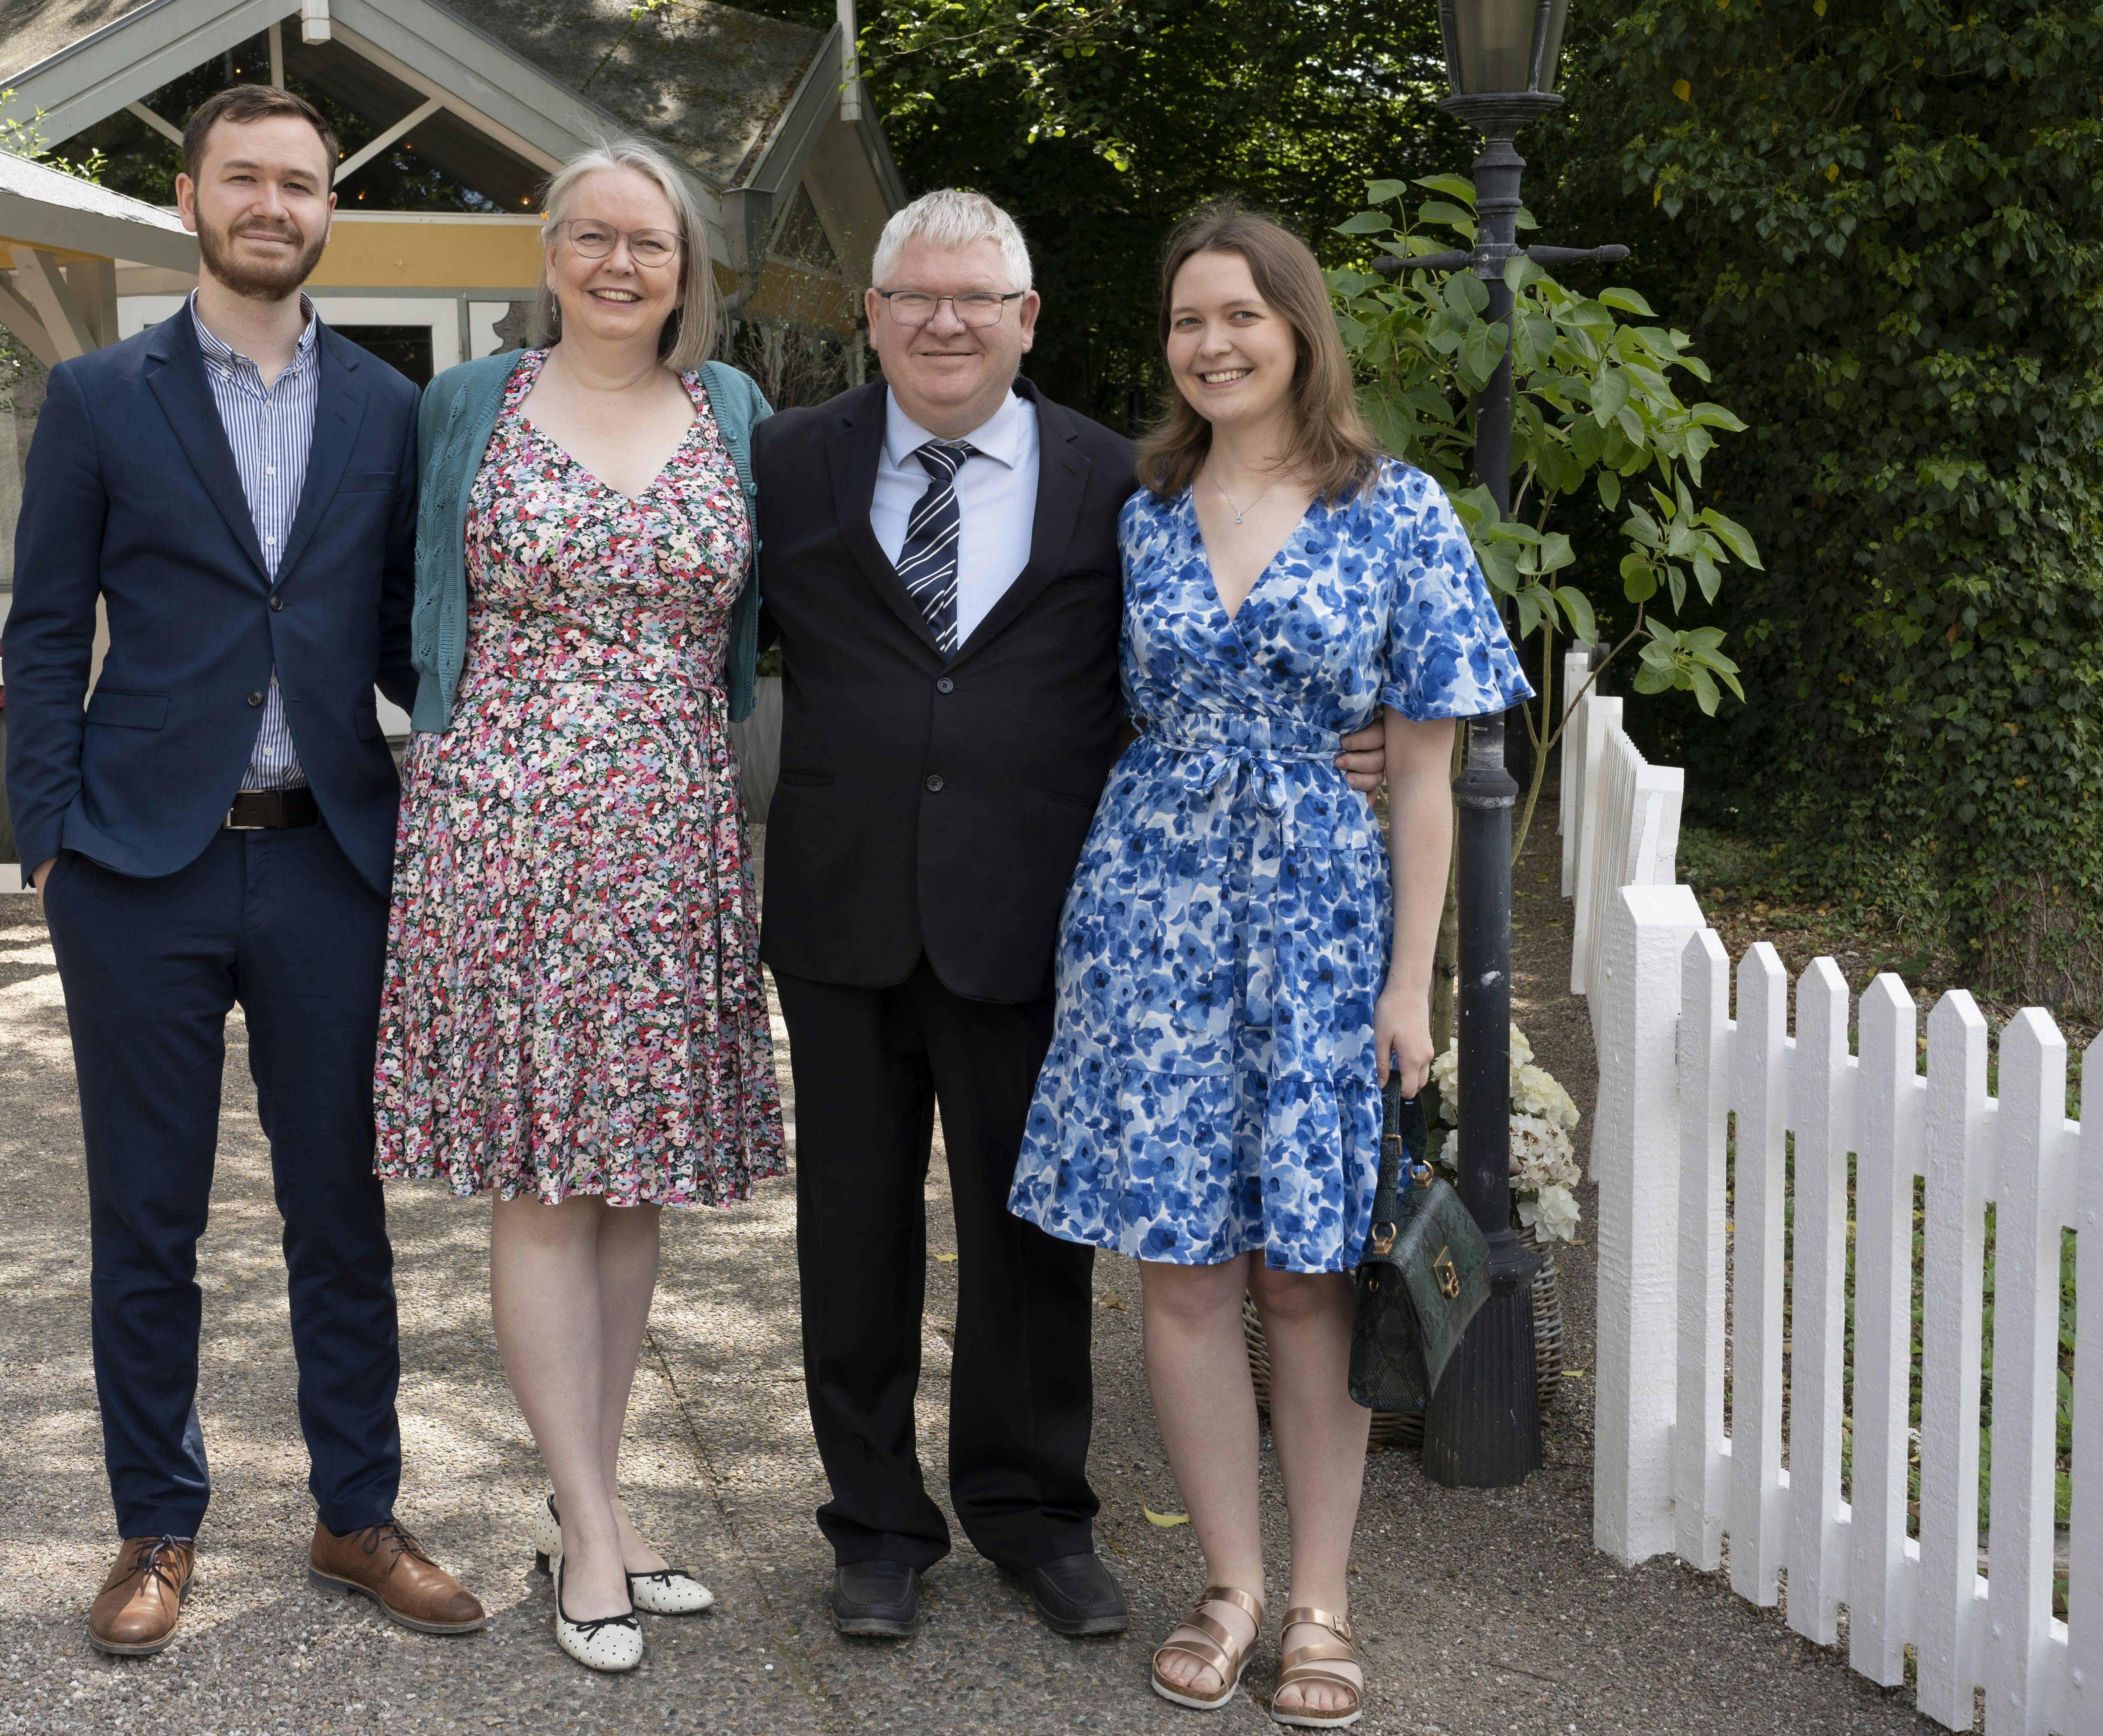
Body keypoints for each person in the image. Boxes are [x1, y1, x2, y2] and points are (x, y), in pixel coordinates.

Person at [751, 189, 1390, 1641]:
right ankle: (876, 1530)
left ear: (1027, 318)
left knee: (1032, 1235)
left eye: (978, 298)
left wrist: (1351, 736)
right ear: (872, 314)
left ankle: (1035, 1514)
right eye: (916, 297)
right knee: (851, 1233)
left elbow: (1212, 648)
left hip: (1040, 908)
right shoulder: (784, 459)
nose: (947, 322)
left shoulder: (1122, 479)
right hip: (841, 904)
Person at [1007, 205, 1532, 1724]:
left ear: (1300, 328)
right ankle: (1231, 1583)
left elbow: (1425, 774)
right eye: (1189, 320)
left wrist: (1409, 986)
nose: (1213, 343)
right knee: (1181, 1275)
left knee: (1306, 1281)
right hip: (1151, 919)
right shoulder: (1143, 512)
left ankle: (1322, 1602)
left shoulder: (1398, 511)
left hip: (1319, 928)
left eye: (1241, 314)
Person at [4, 84, 485, 1658]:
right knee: (148, 1219)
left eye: (301, 182)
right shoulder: (99, 397)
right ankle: (156, 1526)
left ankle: (358, 1514)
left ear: (328, 207)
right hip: (136, 869)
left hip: (332, 861)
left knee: (340, 1212)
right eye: (245, 179)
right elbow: (42, 629)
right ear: (192, 199)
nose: (273, 204)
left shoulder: (393, 408)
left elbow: (417, 631)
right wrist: (48, 842)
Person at [372, 137, 784, 1675]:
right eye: (593, 237)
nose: (620, 264)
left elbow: (771, 620)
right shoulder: (470, 404)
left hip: (675, 833)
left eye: (649, 243)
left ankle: (586, 1505)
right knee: (544, 1182)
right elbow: (404, 599)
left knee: (631, 1188)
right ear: (550, 256)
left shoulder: (732, 412)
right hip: (510, 832)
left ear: (686, 271)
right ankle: (597, 1535)